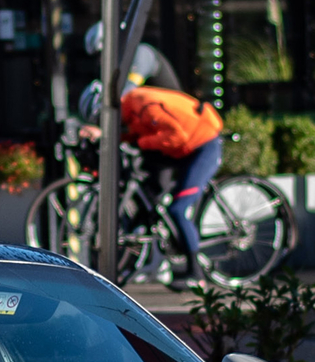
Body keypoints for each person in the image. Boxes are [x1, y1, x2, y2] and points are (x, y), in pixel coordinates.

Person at [78, 79, 226, 284]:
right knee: (148, 196)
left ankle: (195, 271)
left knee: (177, 209)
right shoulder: (130, 111)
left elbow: (176, 137)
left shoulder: (145, 105)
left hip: (202, 146)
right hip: (179, 150)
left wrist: (138, 143)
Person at [84, 19, 178, 94]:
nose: (100, 61)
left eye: (102, 53)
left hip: (173, 115)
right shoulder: (123, 67)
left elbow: (128, 91)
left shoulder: (142, 53)